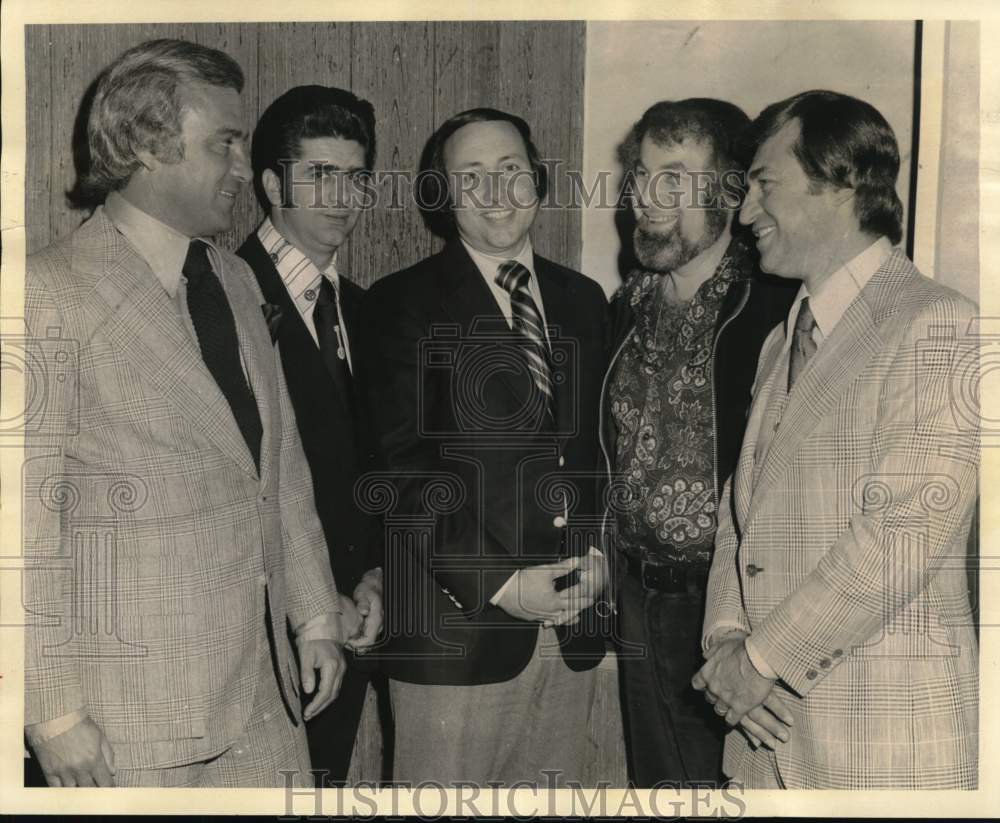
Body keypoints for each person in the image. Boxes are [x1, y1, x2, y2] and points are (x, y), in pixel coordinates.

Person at [23, 39, 358, 788]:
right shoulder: (46, 292)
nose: (245, 168)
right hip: (126, 721)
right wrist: (50, 715)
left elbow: (280, 465)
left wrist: (315, 616)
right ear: (146, 145)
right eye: (227, 144)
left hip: (264, 697)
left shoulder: (236, 279)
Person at [694, 90, 979, 789]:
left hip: (881, 742)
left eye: (764, 185)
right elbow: (741, 516)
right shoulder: (777, 340)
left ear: (843, 180)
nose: (745, 212)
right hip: (767, 737)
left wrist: (759, 661)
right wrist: (726, 639)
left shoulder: (938, 323)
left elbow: (902, 533)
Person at [356, 108, 610, 787]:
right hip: (454, 633)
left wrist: (600, 561)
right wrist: (500, 582)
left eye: (510, 171)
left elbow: (598, 457)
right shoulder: (399, 305)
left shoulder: (586, 300)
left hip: (571, 631)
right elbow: (401, 473)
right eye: (471, 177)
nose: (496, 192)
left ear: (539, 180)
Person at [602, 98, 798, 787]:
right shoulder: (625, 307)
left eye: (675, 179)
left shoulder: (775, 308)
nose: (646, 200)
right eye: (640, 175)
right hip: (636, 604)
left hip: (730, 618)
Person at [236, 85, 387, 786]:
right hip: (268, 630)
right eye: (320, 174)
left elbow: (383, 463)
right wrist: (317, 601)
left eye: (355, 177)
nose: (343, 196)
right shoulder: (221, 293)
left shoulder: (366, 309)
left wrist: (379, 578)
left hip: (357, 618)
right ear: (272, 183)